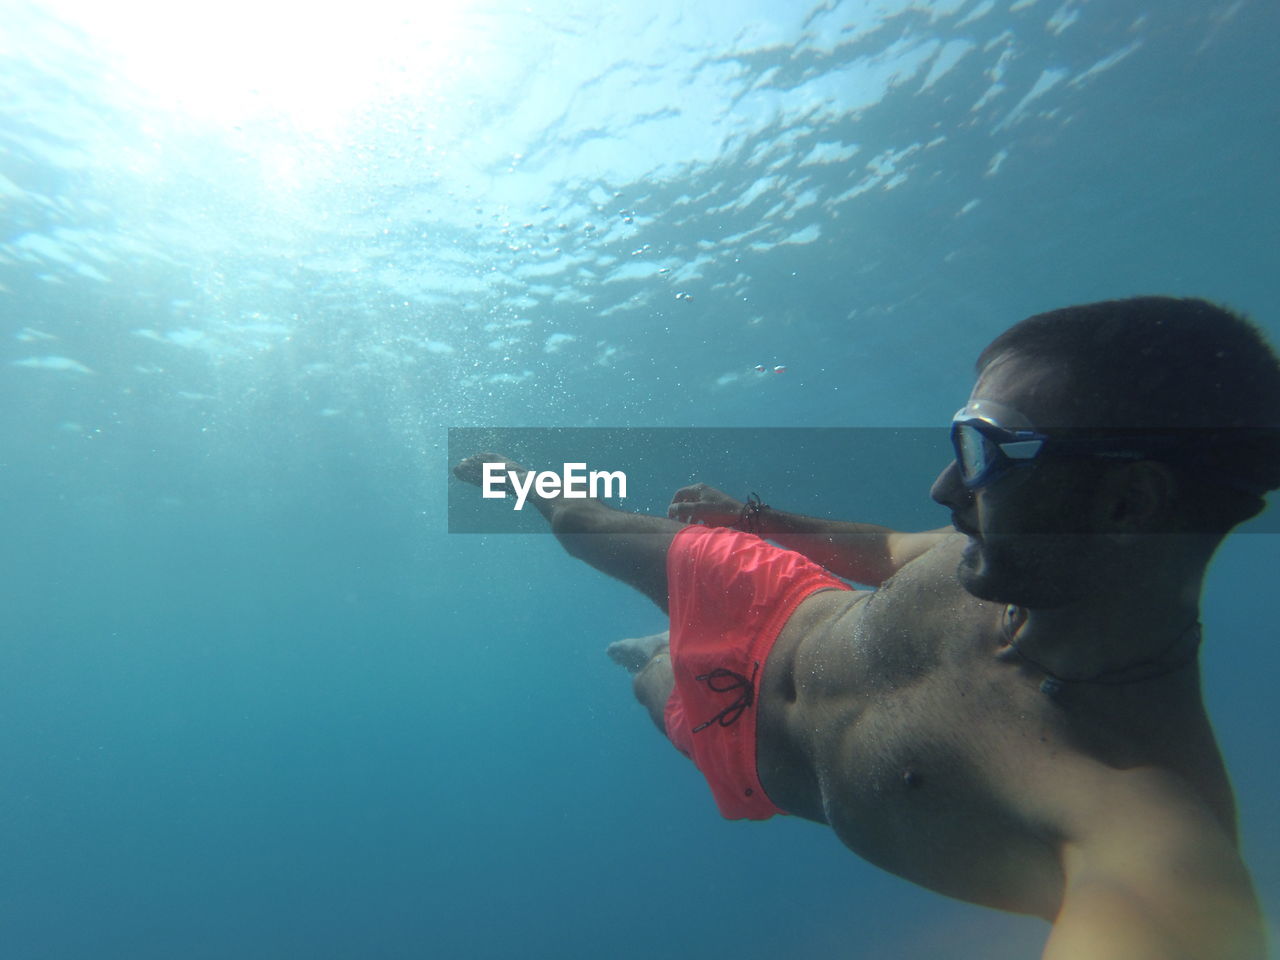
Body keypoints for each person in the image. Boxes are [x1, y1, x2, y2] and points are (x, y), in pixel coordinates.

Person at [453, 297, 1278, 959]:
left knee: (648, 681)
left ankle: (648, 652)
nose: (944, 487)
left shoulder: (1154, 836)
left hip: (740, 740)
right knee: (582, 524)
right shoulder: (987, 552)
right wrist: (756, 517)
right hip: (773, 598)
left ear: (1129, 503)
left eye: (984, 451)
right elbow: (887, 551)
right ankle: (514, 477)